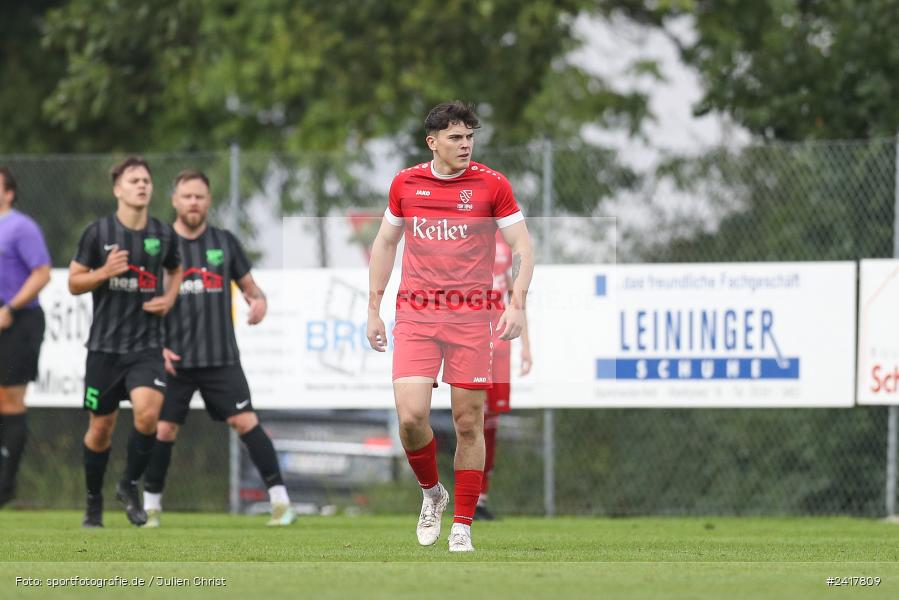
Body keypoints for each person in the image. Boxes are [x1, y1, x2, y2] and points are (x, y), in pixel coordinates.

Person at [367, 101, 534, 552]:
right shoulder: (405, 183)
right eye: (455, 137)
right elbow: (385, 243)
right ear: (432, 142)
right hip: (416, 314)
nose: (465, 145)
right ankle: (432, 493)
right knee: (410, 417)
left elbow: (523, 247)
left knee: (468, 422)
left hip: (471, 319)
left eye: (469, 137)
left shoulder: (492, 185)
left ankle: (462, 525)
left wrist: (517, 303)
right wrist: (373, 308)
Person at [141, 169, 295, 527]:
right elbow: (142, 304)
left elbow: (251, 288)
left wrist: (259, 301)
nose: (193, 202)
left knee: (246, 422)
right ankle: (150, 508)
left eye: (199, 196)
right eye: (187, 196)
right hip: (173, 360)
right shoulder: (158, 246)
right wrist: (156, 347)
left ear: (208, 201)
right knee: (163, 430)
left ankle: (281, 503)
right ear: (175, 201)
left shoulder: (224, 242)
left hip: (220, 357)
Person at [68, 156, 183, 527]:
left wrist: (169, 297)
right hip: (103, 349)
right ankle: (93, 502)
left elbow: (176, 268)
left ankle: (129, 483)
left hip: (146, 346)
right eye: (134, 180)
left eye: (146, 180)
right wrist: (104, 272)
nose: (142, 185)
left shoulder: (163, 233)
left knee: (148, 413)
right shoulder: (98, 233)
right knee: (100, 430)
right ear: (118, 189)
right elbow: (73, 283)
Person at [0, 167, 51, 507]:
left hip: (18, 321)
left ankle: (6, 487)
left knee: (10, 399)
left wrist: (11, 308)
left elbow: (42, 273)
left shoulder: (21, 227)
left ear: (9, 193)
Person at [475, 230, 532, 521]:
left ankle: (481, 498)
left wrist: (526, 347)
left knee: (490, 424)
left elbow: (514, 296)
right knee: (471, 418)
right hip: (473, 341)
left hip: (499, 346)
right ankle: (467, 496)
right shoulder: (465, 230)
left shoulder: (506, 241)